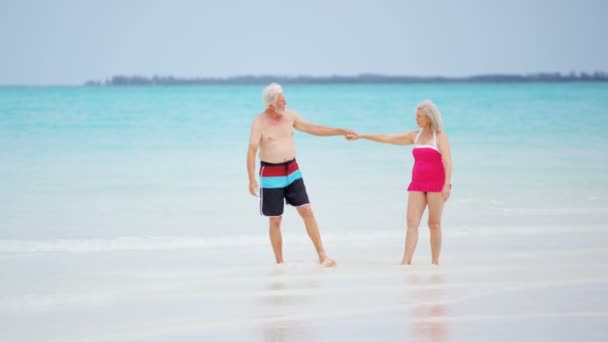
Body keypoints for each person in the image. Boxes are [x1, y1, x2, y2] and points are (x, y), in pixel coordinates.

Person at [247, 83, 354, 267]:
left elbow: (314, 128)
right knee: (275, 219)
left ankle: (322, 255)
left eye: (284, 99)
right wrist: (251, 179)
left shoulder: (290, 115)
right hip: (271, 173)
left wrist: (341, 131)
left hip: (292, 169)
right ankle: (279, 263)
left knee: (306, 210)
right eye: (281, 101)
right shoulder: (259, 122)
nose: (285, 102)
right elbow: (252, 150)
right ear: (271, 104)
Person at [346, 100, 452, 265]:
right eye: (416, 115)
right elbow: (387, 138)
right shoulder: (414, 135)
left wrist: (446, 184)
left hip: (436, 184)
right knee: (411, 222)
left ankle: (435, 263)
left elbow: (447, 161)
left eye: (419, 116)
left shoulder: (439, 136)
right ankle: (405, 262)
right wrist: (362, 136)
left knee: (434, 224)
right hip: (417, 184)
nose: (416, 119)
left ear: (429, 118)